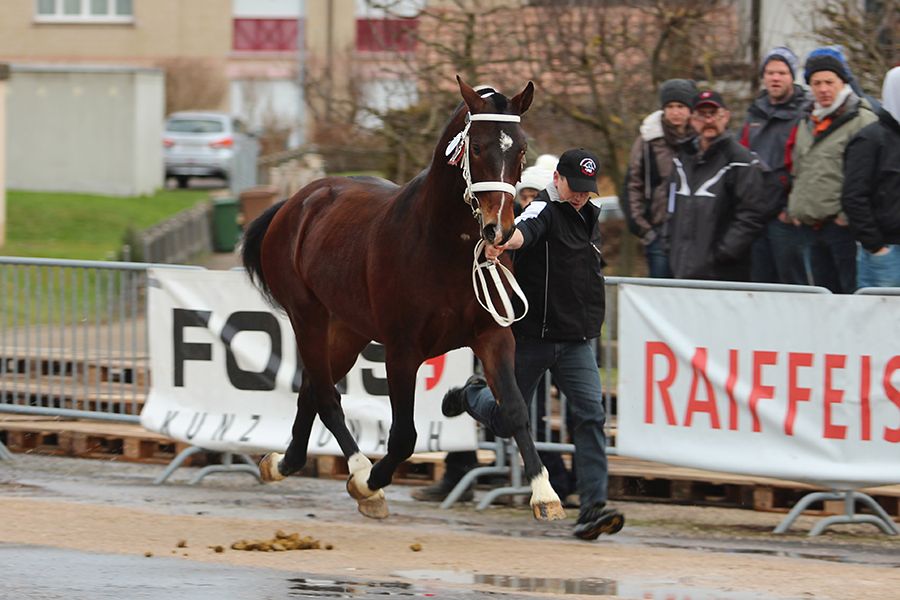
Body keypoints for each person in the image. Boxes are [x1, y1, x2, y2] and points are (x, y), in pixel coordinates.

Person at [442, 148, 625, 541]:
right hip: (532, 339)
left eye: (587, 190)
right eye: (575, 187)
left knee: (591, 416)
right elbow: (522, 231)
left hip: (576, 341)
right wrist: (502, 241)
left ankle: (592, 509)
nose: (580, 196)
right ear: (557, 179)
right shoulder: (542, 208)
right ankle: (471, 396)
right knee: (505, 420)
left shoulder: (589, 215)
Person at [411, 154, 558, 504]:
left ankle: (550, 478)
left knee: (528, 410)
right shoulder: (500, 225)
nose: (528, 202)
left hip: (536, 330)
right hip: (494, 325)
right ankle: (461, 469)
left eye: (535, 196)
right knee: (508, 407)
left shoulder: (551, 224)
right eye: (525, 195)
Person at [786, 50, 878, 293]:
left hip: (843, 229)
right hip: (809, 227)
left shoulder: (862, 120)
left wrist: (845, 217)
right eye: (817, 83)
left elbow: (870, 176)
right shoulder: (807, 120)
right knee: (821, 296)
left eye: (829, 82)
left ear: (843, 82)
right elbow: (799, 168)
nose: (823, 89)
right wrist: (796, 208)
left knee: (849, 294)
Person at [666, 90, 771, 281]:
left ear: (726, 116)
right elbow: (671, 208)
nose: (708, 120)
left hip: (723, 271)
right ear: (692, 119)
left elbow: (751, 215)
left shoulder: (741, 161)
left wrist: (724, 253)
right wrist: (669, 244)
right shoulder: (682, 159)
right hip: (681, 266)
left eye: (713, 114)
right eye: (702, 115)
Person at [740, 46, 811, 284]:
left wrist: (791, 209)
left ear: (792, 76)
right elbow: (741, 159)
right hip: (756, 214)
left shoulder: (805, 113)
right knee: (760, 284)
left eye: (782, 72)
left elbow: (808, 165)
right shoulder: (754, 113)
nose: (775, 78)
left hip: (786, 218)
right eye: (770, 73)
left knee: (793, 285)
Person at [625, 79, 697, 278]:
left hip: (695, 232)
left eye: (681, 106)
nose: (675, 112)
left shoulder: (702, 140)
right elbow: (632, 185)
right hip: (659, 231)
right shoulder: (648, 141)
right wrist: (644, 229)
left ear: (690, 109)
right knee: (660, 289)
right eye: (670, 106)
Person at [841, 66, 900, 288]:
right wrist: (875, 246)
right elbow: (853, 196)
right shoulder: (870, 139)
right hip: (887, 252)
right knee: (880, 308)